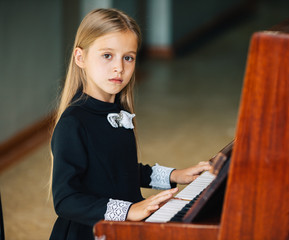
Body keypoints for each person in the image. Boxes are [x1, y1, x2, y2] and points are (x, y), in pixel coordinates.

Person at [49, 8, 211, 240]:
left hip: (123, 228)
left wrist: (176, 175)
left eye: (128, 57)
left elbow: (120, 171)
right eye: (107, 55)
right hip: (90, 232)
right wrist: (128, 211)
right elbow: (66, 201)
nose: (119, 67)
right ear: (80, 58)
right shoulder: (73, 124)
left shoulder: (119, 111)